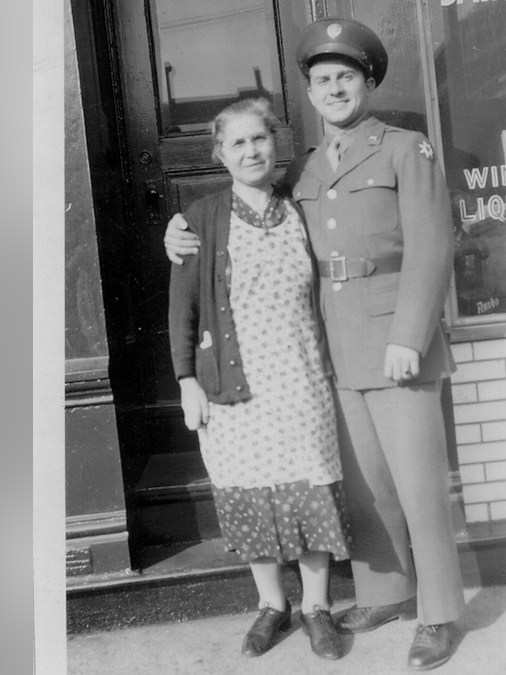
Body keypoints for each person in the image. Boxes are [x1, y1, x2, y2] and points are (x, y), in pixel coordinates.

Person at [166, 18, 465, 671]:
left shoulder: (403, 148)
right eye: (321, 79)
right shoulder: (300, 169)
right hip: (333, 344)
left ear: (369, 81)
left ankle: (440, 611)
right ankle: (389, 590)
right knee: (366, 485)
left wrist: (410, 334)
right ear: (309, 92)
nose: (333, 88)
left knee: (418, 484)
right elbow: (242, 215)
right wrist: (180, 231)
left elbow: (434, 244)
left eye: (345, 77)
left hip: (393, 339)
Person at [168, 97, 350, 661]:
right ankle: (273, 604)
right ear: (220, 155)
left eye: (260, 139)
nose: (251, 151)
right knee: (250, 494)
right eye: (237, 143)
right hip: (234, 389)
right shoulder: (199, 218)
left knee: (310, 489)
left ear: (277, 144)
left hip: (303, 380)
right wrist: (185, 380)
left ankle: (316, 607)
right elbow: (183, 308)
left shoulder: (303, 207)